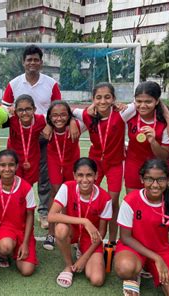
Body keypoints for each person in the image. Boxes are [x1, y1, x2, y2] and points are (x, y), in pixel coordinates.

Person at [1, 44, 64, 230]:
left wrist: (50, 125)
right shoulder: (14, 83)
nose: (32, 63)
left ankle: (43, 212)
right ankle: (15, 208)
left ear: (41, 63)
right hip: (18, 139)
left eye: (36, 60)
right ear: (23, 62)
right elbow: (4, 109)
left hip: (44, 135)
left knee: (44, 176)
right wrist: (8, 110)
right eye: (29, 60)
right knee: (15, 174)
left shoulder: (51, 83)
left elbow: (58, 108)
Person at [114, 159, 169, 296]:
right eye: (149, 179)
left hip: (162, 251)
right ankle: (136, 273)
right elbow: (125, 237)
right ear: (141, 179)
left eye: (160, 179)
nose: (155, 185)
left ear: (168, 180)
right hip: (133, 249)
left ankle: (156, 274)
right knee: (125, 267)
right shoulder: (131, 200)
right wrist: (156, 258)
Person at [72, 82, 136, 246]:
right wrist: (73, 121)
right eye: (98, 98)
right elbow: (69, 110)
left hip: (115, 163)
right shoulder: (87, 114)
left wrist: (119, 105)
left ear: (113, 99)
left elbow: (143, 101)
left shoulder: (121, 114)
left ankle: (112, 241)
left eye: (107, 97)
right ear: (93, 99)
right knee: (89, 197)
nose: (102, 101)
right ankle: (86, 238)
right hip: (95, 164)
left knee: (112, 201)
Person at [48, 158, 112, 288]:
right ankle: (68, 265)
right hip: (72, 230)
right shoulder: (67, 187)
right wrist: (84, 221)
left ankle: (84, 252)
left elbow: (102, 232)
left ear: (96, 175)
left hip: (90, 237)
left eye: (89, 175)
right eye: (80, 175)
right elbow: (51, 216)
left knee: (97, 280)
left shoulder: (105, 198)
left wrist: (85, 258)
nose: (84, 180)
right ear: (74, 175)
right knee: (60, 229)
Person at [0, 150, 37, 276]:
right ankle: (5, 253)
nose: (7, 169)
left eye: (11, 165)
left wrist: (25, 243)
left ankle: (18, 249)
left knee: (27, 271)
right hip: (4, 228)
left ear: (17, 166)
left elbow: (30, 215)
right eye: (3, 165)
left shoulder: (26, 187)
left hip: (23, 231)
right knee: (5, 246)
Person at [44, 101, 85, 250]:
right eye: (54, 115)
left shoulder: (77, 126)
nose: (59, 118)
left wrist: (74, 120)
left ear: (69, 115)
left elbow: (92, 113)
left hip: (72, 162)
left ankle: (72, 231)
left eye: (63, 115)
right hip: (54, 160)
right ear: (49, 117)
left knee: (72, 194)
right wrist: (48, 123)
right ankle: (51, 232)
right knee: (55, 192)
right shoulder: (46, 127)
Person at [124, 81, 169, 193]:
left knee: (156, 204)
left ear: (157, 101)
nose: (143, 105)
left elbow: (164, 156)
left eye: (148, 101)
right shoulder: (131, 113)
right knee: (133, 201)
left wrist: (153, 141)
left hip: (158, 168)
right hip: (133, 164)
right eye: (139, 101)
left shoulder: (167, 124)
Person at [7, 94, 47, 186]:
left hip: (32, 159)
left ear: (34, 109)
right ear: (15, 111)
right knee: (13, 185)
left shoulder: (41, 119)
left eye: (28, 109)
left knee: (28, 186)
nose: (24, 113)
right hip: (14, 158)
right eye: (20, 110)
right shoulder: (11, 119)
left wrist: (49, 125)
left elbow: (60, 114)